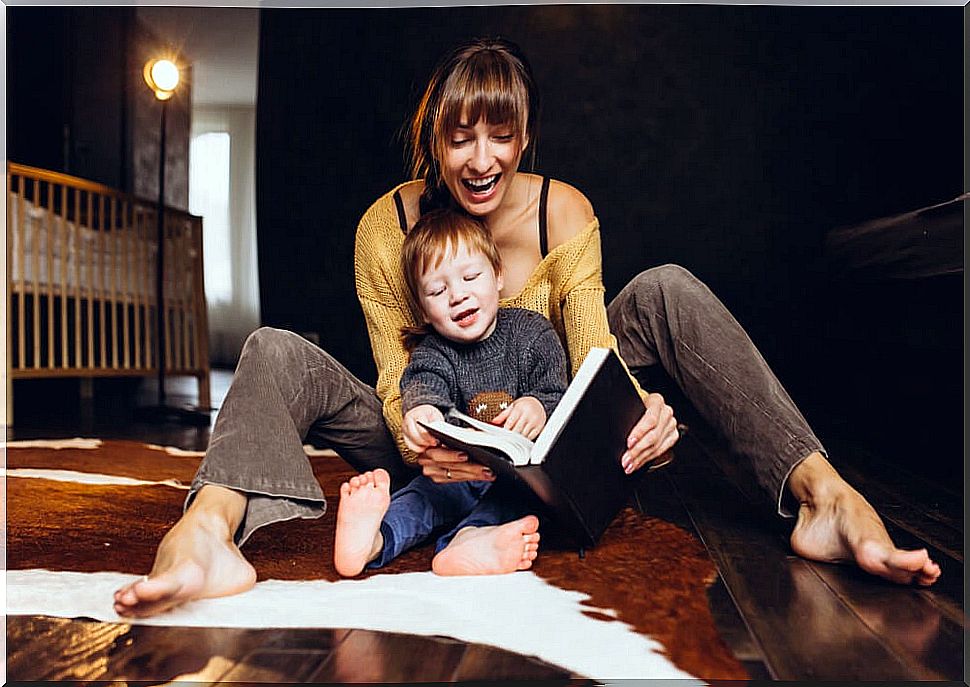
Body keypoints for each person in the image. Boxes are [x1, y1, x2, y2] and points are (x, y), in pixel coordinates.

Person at [113, 36, 939, 619]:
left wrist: (636, 410)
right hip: (426, 433)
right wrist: (423, 433)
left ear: (524, 134)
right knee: (273, 348)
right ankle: (205, 535)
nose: (480, 158)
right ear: (431, 135)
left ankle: (825, 499)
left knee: (667, 288)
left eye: (500, 134)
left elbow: (591, 364)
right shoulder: (384, 226)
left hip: (541, 438)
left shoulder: (562, 210)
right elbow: (403, 381)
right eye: (459, 135)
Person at [333, 208, 567, 577]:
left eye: (471, 277)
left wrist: (538, 406)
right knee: (420, 497)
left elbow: (559, 390)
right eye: (437, 291)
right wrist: (422, 410)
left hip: (517, 478)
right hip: (456, 473)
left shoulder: (532, 333)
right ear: (424, 310)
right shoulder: (435, 350)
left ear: (499, 276)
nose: (457, 295)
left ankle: (469, 541)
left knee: (515, 504)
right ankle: (373, 539)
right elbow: (424, 382)